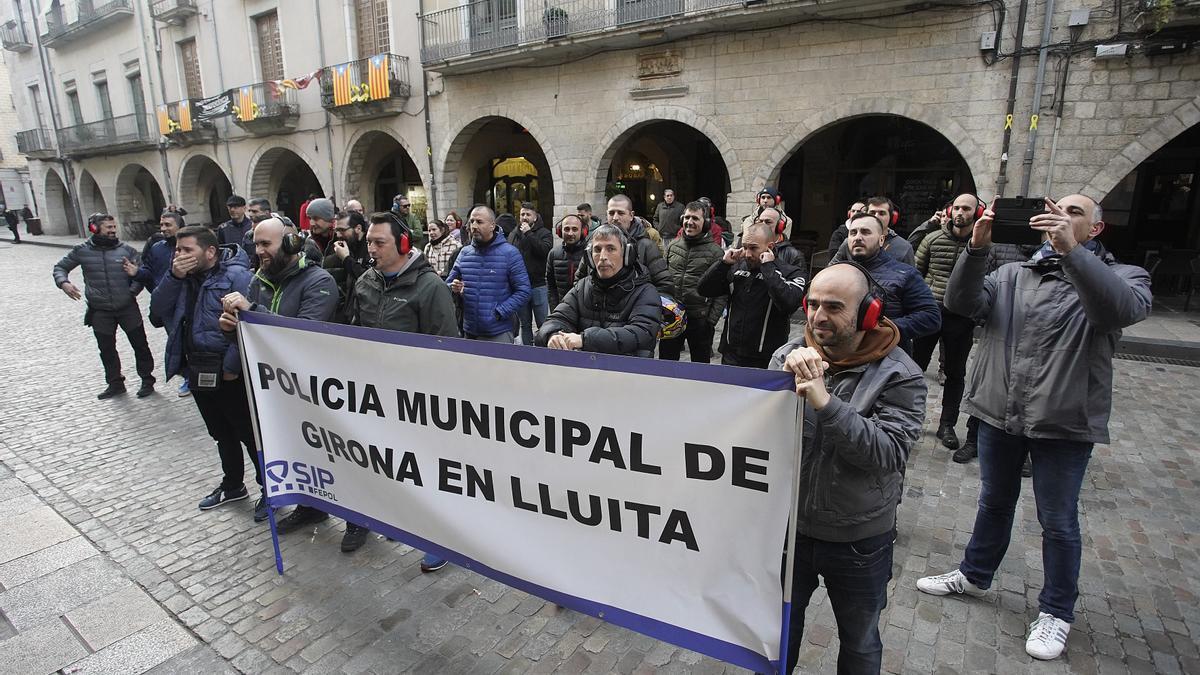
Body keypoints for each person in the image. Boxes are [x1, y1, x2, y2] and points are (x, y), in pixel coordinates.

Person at [916, 196, 1151, 661]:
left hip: (1064, 422)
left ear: (1096, 230)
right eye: (1056, 208)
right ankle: (974, 574)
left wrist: (1072, 254)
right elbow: (960, 302)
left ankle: (1056, 611)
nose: (1061, 215)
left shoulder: (1125, 276)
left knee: (1058, 521)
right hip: (1000, 411)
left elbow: (1117, 312)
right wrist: (976, 249)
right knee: (994, 502)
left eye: (1075, 212)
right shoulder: (1012, 273)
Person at [770, 262, 927, 674]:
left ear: (868, 313)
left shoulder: (901, 375)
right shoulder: (787, 355)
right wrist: (777, 394)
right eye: (813, 304)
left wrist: (825, 402)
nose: (818, 316)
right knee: (778, 632)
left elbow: (887, 453)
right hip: (790, 531)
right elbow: (759, 438)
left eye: (834, 307)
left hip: (859, 541)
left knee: (859, 642)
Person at [347, 212, 460, 556]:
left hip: (419, 400)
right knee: (391, 464)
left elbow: (447, 349)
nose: (371, 249)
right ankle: (401, 520)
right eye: (369, 241)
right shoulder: (365, 282)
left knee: (428, 470)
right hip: (377, 396)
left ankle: (440, 539)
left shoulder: (431, 287)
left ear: (403, 244)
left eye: (379, 242)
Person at [219, 217, 340, 534]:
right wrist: (233, 330)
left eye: (266, 244)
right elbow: (255, 340)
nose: (259, 251)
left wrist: (252, 311)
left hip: (315, 387)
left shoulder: (320, 281)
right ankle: (310, 507)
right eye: (256, 244)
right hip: (276, 387)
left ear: (290, 243)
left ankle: (356, 521)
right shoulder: (258, 280)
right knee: (296, 451)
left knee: (332, 456)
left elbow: (300, 335)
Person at [149, 226, 263, 518]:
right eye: (178, 250)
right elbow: (157, 311)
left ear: (210, 251)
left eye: (187, 250)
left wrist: (231, 367)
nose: (179, 255)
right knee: (220, 432)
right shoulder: (180, 277)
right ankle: (233, 484)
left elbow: (247, 325)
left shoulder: (237, 276)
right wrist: (174, 276)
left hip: (229, 372)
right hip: (196, 368)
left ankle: (269, 490)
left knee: (249, 434)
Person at [53, 213, 156, 399]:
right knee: (107, 349)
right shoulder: (81, 250)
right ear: (94, 228)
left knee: (140, 345)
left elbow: (141, 274)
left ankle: (147, 380)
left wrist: (131, 292)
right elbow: (60, 268)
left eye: (114, 227)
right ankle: (115, 383)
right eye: (109, 227)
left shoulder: (127, 251)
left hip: (127, 308)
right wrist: (64, 283)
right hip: (100, 311)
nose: (113, 230)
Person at [912, 194, 982, 452]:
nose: (960, 212)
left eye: (967, 208)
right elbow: (916, 274)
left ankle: (947, 425)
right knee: (913, 369)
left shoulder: (981, 245)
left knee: (955, 374)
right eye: (957, 207)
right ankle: (910, 417)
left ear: (977, 213)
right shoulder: (932, 239)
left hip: (961, 318)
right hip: (929, 313)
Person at [536, 224, 660, 357]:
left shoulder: (646, 292)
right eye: (597, 249)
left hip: (629, 368)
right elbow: (555, 320)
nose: (602, 257)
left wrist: (585, 339)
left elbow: (641, 333)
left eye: (611, 249)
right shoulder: (582, 287)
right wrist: (553, 335)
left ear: (626, 255)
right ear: (589, 256)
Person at [696, 221, 806, 368]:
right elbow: (704, 289)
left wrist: (768, 268)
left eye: (753, 248)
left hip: (766, 359)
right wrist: (723, 264)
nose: (747, 254)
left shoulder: (790, 272)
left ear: (770, 247)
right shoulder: (736, 268)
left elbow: (789, 303)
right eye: (745, 247)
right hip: (731, 355)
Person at [835, 213, 941, 354]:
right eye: (853, 233)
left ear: (881, 240)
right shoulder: (839, 273)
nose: (858, 237)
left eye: (865, 232)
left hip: (888, 358)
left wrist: (884, 330)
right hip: (845, 356)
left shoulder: (905, 274)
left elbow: (931, 317)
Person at [447, 205, 531, 343]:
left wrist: (499, 312)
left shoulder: (510, 253)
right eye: (472, 221)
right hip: (469, 330)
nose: (474, 226)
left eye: (479, 222)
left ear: (492, 225)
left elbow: (524, 291)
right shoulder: (464, 253)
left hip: (499, 332)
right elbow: (447, 285)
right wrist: (454, 287)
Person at [660, 201, 725, 363]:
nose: (689, 222)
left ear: (706, 223)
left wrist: (710, 321)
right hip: (672, 317)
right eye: (687, 217)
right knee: (666, 365)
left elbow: (722, 292)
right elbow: (662, 280)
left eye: (695, 218)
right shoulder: (672, 246)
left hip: (700, 321)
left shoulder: (716, 253)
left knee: (700, 368)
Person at [576, 195, 674, 297]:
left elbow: (665, 286)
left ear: (631, 215)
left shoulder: (647, 246)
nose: (615, 218)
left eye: (621, 213)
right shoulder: (593, 243)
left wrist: (644, 303)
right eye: (611, 213)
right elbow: (579, 282)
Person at [510, 203, 553, 345]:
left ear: (535, 217)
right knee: (525, 325)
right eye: (522, 214)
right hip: (520, 287)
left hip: (538, 285)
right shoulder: (514, 234)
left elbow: (544, 251)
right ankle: (528, 353)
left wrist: (529, 234)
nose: (524, 217)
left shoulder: (544, 233)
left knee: (543, 324)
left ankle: (544, 352)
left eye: (528, 214)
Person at [835, 197, 915, 266]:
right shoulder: (851, 242)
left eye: (882, 213)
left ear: (892, 218)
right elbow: (832, 269)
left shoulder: (904, 247)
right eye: (872, 212)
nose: (876, 216)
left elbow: (911, 277)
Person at [323, 211, 371, 323]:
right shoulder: (345, 244)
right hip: (347, 311)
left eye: (342, 230)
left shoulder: (370, 247)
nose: (338, 235)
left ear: (358, 228)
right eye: (336, 230)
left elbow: (368, 279)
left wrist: (346, 259)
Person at [546, 213, 587, 310]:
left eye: (575, 229)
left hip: (585, 311)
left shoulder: (590, 253)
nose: (570, 233)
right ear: (560, 231)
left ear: (582, 232)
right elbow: (551, 286)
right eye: (567, 229)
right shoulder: (553, 253)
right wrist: (555, 309)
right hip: (562, 309)